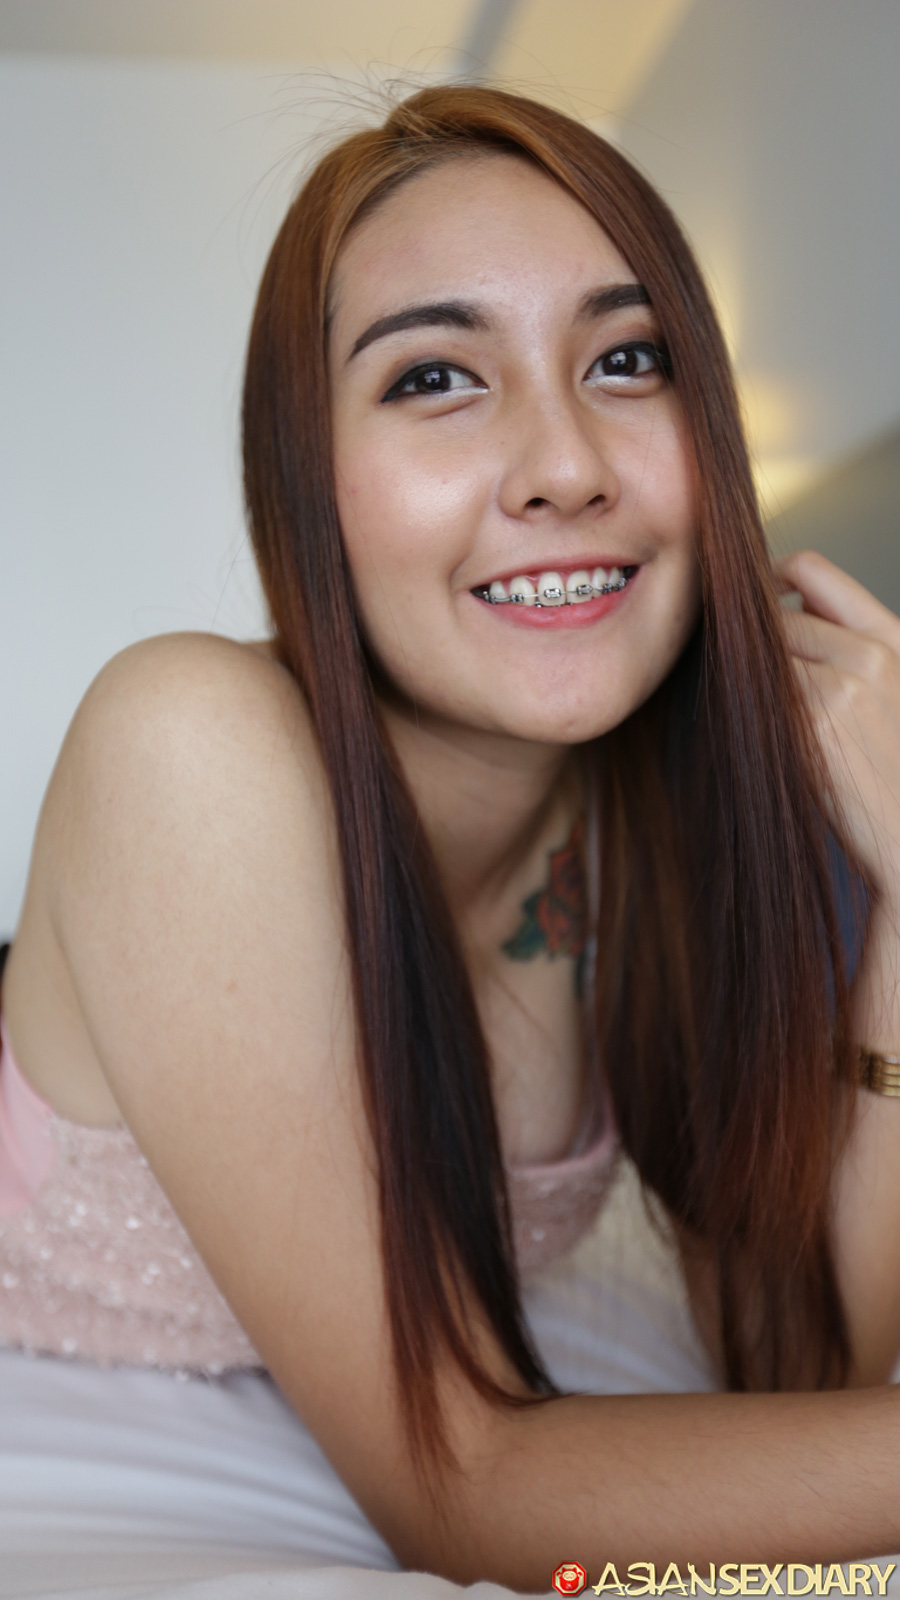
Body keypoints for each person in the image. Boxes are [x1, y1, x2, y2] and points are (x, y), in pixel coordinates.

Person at [3, 83, 900, 1593]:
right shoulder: (186, 743)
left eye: (627, 359)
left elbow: (801, 1360)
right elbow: (461, 1485)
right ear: (310, 484)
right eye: (435, 377)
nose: (565, 464)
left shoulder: (643, 809)